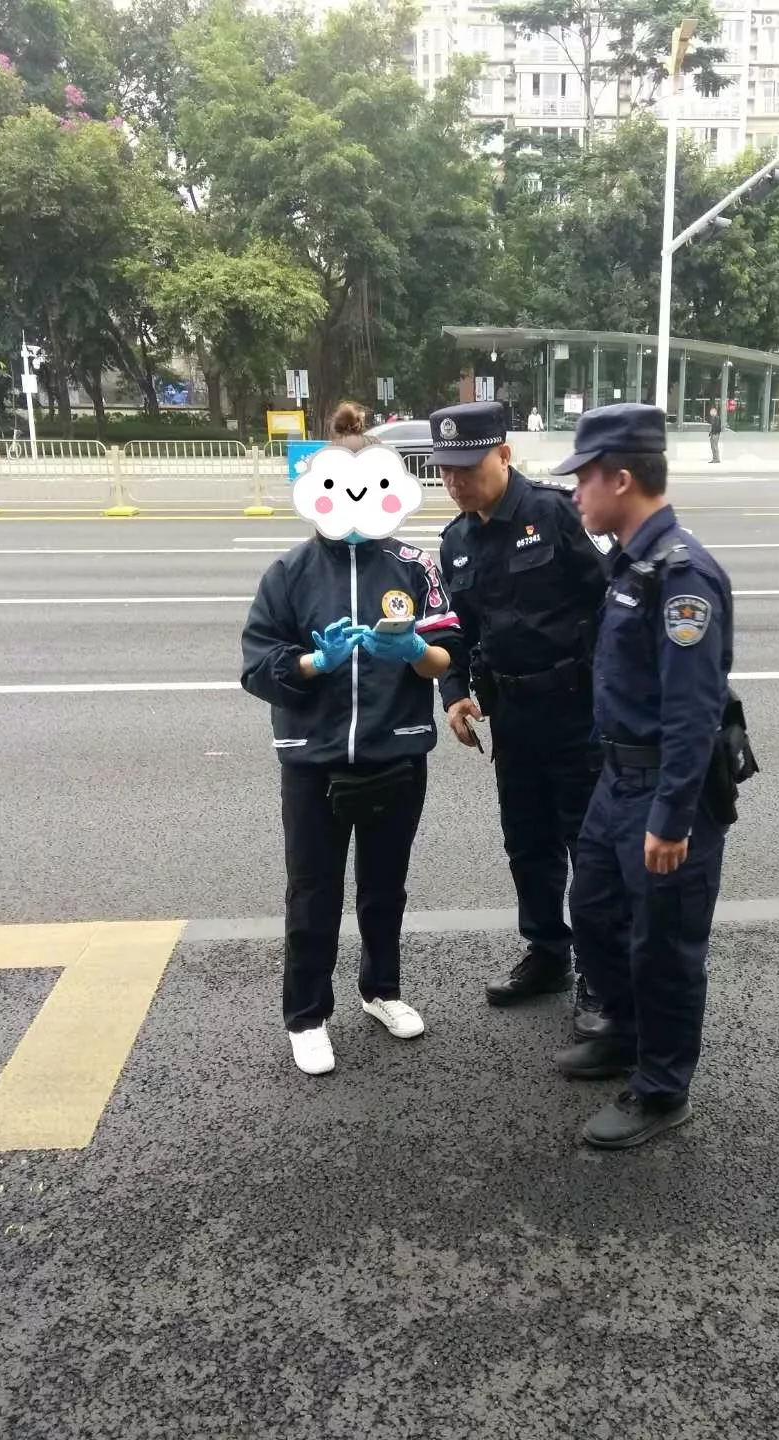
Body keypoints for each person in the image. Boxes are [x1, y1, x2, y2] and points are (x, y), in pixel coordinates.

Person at [241, 402, 463, 1076]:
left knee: (385, 887)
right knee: (313, 893)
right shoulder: (288, 574)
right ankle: (307, 1015)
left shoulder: (414, 567)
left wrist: (414, 652)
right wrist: (315, 662)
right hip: (313, 762)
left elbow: (448, 655)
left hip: (397, 751)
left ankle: (381, 990)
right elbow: (257, 668)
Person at [552, 403, 737, 1150]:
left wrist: (672, 817)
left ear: (621, 479)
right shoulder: (633, 563)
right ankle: (626, 1034)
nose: (575, 493)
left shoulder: (682, 577)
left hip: (664, 791)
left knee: (664, 946)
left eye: (584, 478)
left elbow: (693, 713)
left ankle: (662, 1089)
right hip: (616, 781)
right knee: (595, 912)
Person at [433, 401, 610, 1014]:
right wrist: (454, 691)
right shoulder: (455, 541)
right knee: (527, 842)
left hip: (576, 709)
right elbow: (454, 628)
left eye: (467, 467)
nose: (454, 481)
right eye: (444, 470)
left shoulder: (555, 513)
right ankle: (547, 952)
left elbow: (610, 599)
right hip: (511, 714)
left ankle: (600, 973)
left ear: (504, 455)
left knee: (589, 845)